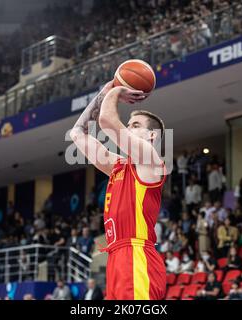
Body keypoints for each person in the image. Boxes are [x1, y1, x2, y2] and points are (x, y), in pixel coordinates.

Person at [70, 80, 167, 300]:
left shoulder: (152, 160)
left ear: (151, 136)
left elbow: (107, 121)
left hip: (137, 254)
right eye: (128, 123)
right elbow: (77, 133)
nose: (128, 127)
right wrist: (102, 94)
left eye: (135, 125)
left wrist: (116, 91)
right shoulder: (118, 166)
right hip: (116, 255)